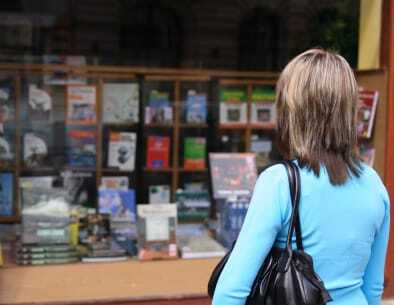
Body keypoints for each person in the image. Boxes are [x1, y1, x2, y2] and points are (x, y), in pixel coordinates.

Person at [212, 49, 390, 305]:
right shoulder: (374, 183)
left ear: (292, 112)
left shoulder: (279, 183)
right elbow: (373, 288)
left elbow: (230, 292)